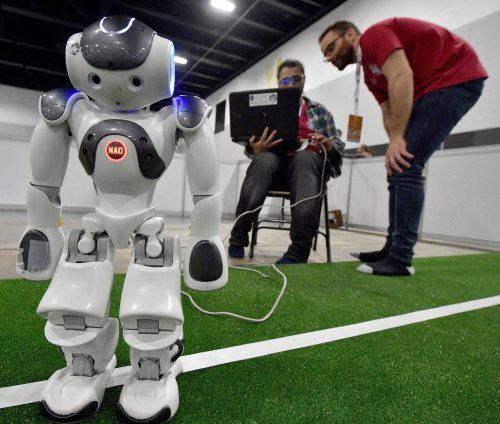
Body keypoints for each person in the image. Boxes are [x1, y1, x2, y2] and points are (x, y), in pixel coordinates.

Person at [319, 18, 487, 276]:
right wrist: (393, 145)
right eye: (325, 56)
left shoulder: (373, 36)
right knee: (397, 166)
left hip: (453, 75)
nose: (329, 58)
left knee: (407, 166)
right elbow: (388, 110)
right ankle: (391, 249)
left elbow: (402, 75)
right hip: (430, 88)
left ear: (350, 34)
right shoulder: (369, 73)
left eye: (331, 48)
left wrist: (399, 138)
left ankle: (401, 258)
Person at [228, 59, 344, 264]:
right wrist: (255, 149)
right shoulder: (265, 110)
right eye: (285, 81)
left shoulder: (320, 112)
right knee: (263, 160)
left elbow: (337, 145)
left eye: (295, 79)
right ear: (278, 83)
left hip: (306, 172)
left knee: (305, 159)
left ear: (303, 80)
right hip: (273, 168)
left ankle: (299, 250)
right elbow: (251, 144)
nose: (290, 84)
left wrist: (328, 145)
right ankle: (238, 236)